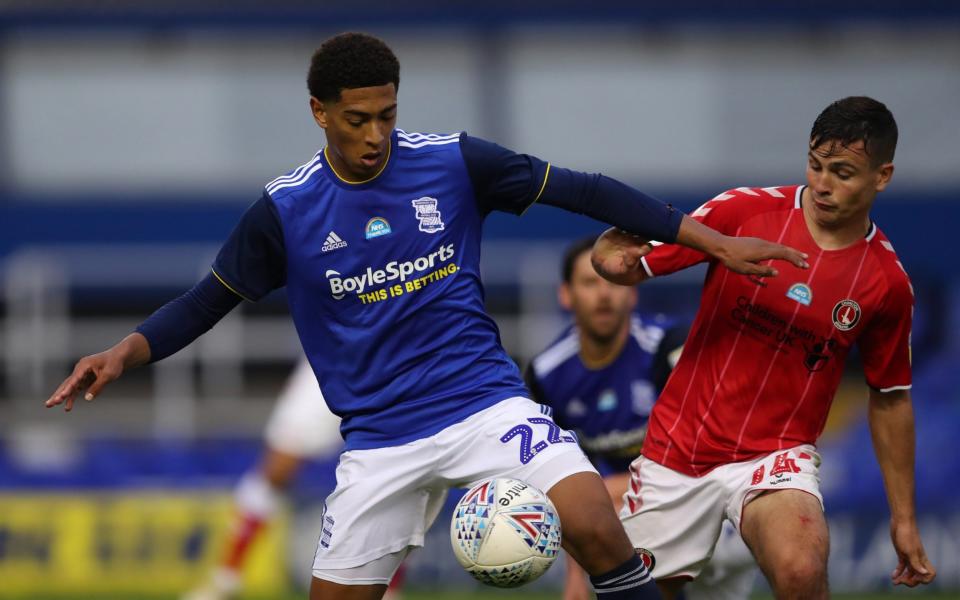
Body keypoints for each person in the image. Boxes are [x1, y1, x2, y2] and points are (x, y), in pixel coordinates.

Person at [46, 32, 808, 600]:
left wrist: (705, 240)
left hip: (484, 403)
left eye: (387, 114)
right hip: (380, 439)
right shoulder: (284, 210)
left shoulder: (453, 162)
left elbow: (582, 188)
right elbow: (207, 301)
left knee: (601, 528)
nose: (375, 135)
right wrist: (126, 351)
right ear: (318, 113)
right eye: (355, 120)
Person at [591, 96, 936, 599]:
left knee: (800, 567)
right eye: (815, 165)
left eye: (842, 172)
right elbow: (632, 262)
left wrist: (904, 519)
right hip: (678, 448)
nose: (822, 183)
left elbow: (890, 397)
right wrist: (607, 258)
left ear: (882, 176)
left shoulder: (886, 283)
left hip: (774, 457)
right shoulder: (744, 211)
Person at [525, 237, 756, 600]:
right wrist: (575, 574)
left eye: (613, 283)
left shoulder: (669, 347)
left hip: (707, 507)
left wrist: (607, 492)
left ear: (632, 292)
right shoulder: (546, 374)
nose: (604, 295)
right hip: (626, 518)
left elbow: (708, 451)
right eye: (589, 282)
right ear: (565, 295)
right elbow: (557, 478)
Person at [182, 360, 407, 600]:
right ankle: (226, 578)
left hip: (396, 359)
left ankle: (389, 589)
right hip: (336, 355)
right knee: (276, 469)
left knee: (401, 473)